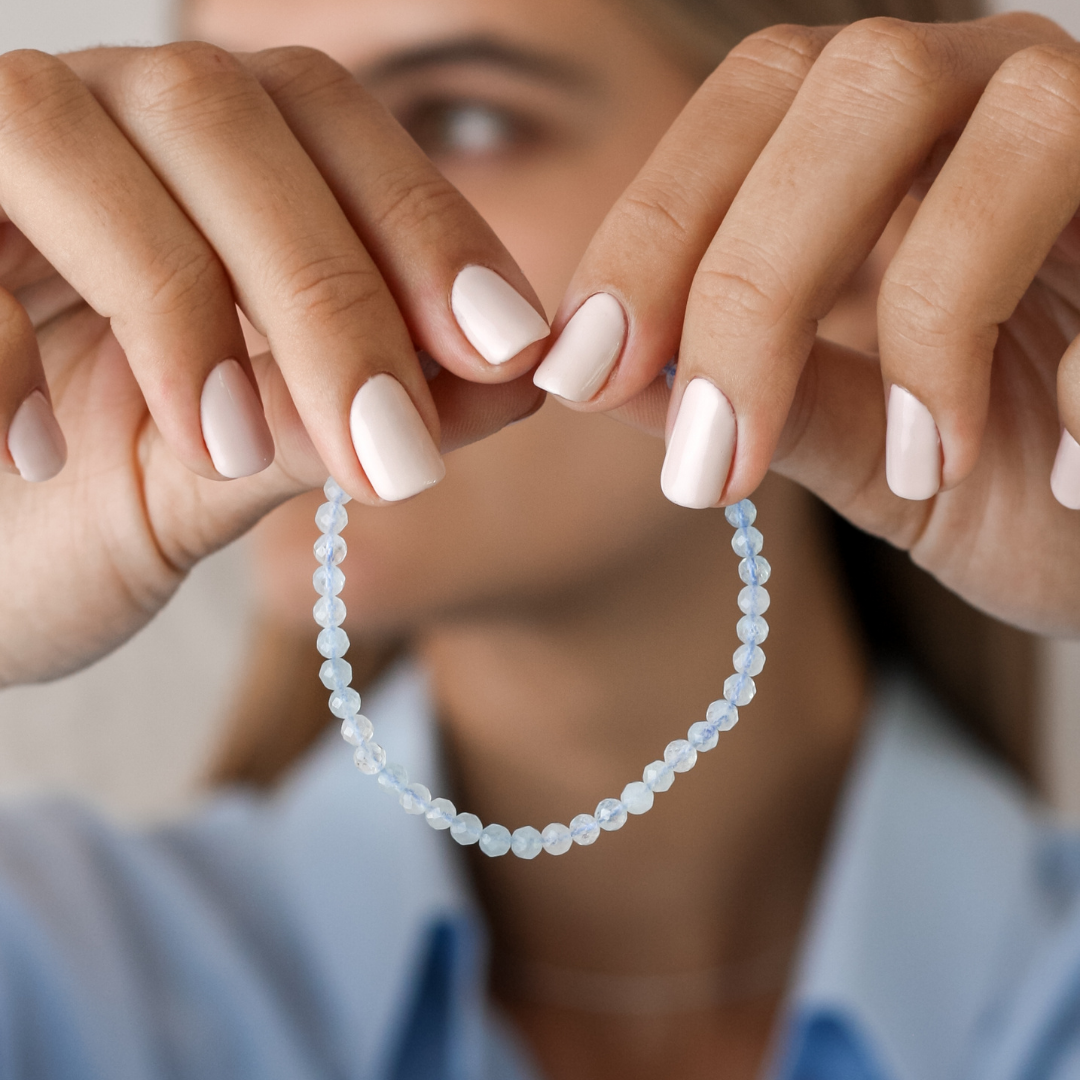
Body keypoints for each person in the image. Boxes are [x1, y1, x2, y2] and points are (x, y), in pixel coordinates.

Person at [1, 0, 1080, 1076]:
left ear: (861, 216)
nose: (275, 257)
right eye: (224, 155)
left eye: (465, 119)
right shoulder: (62, 975)